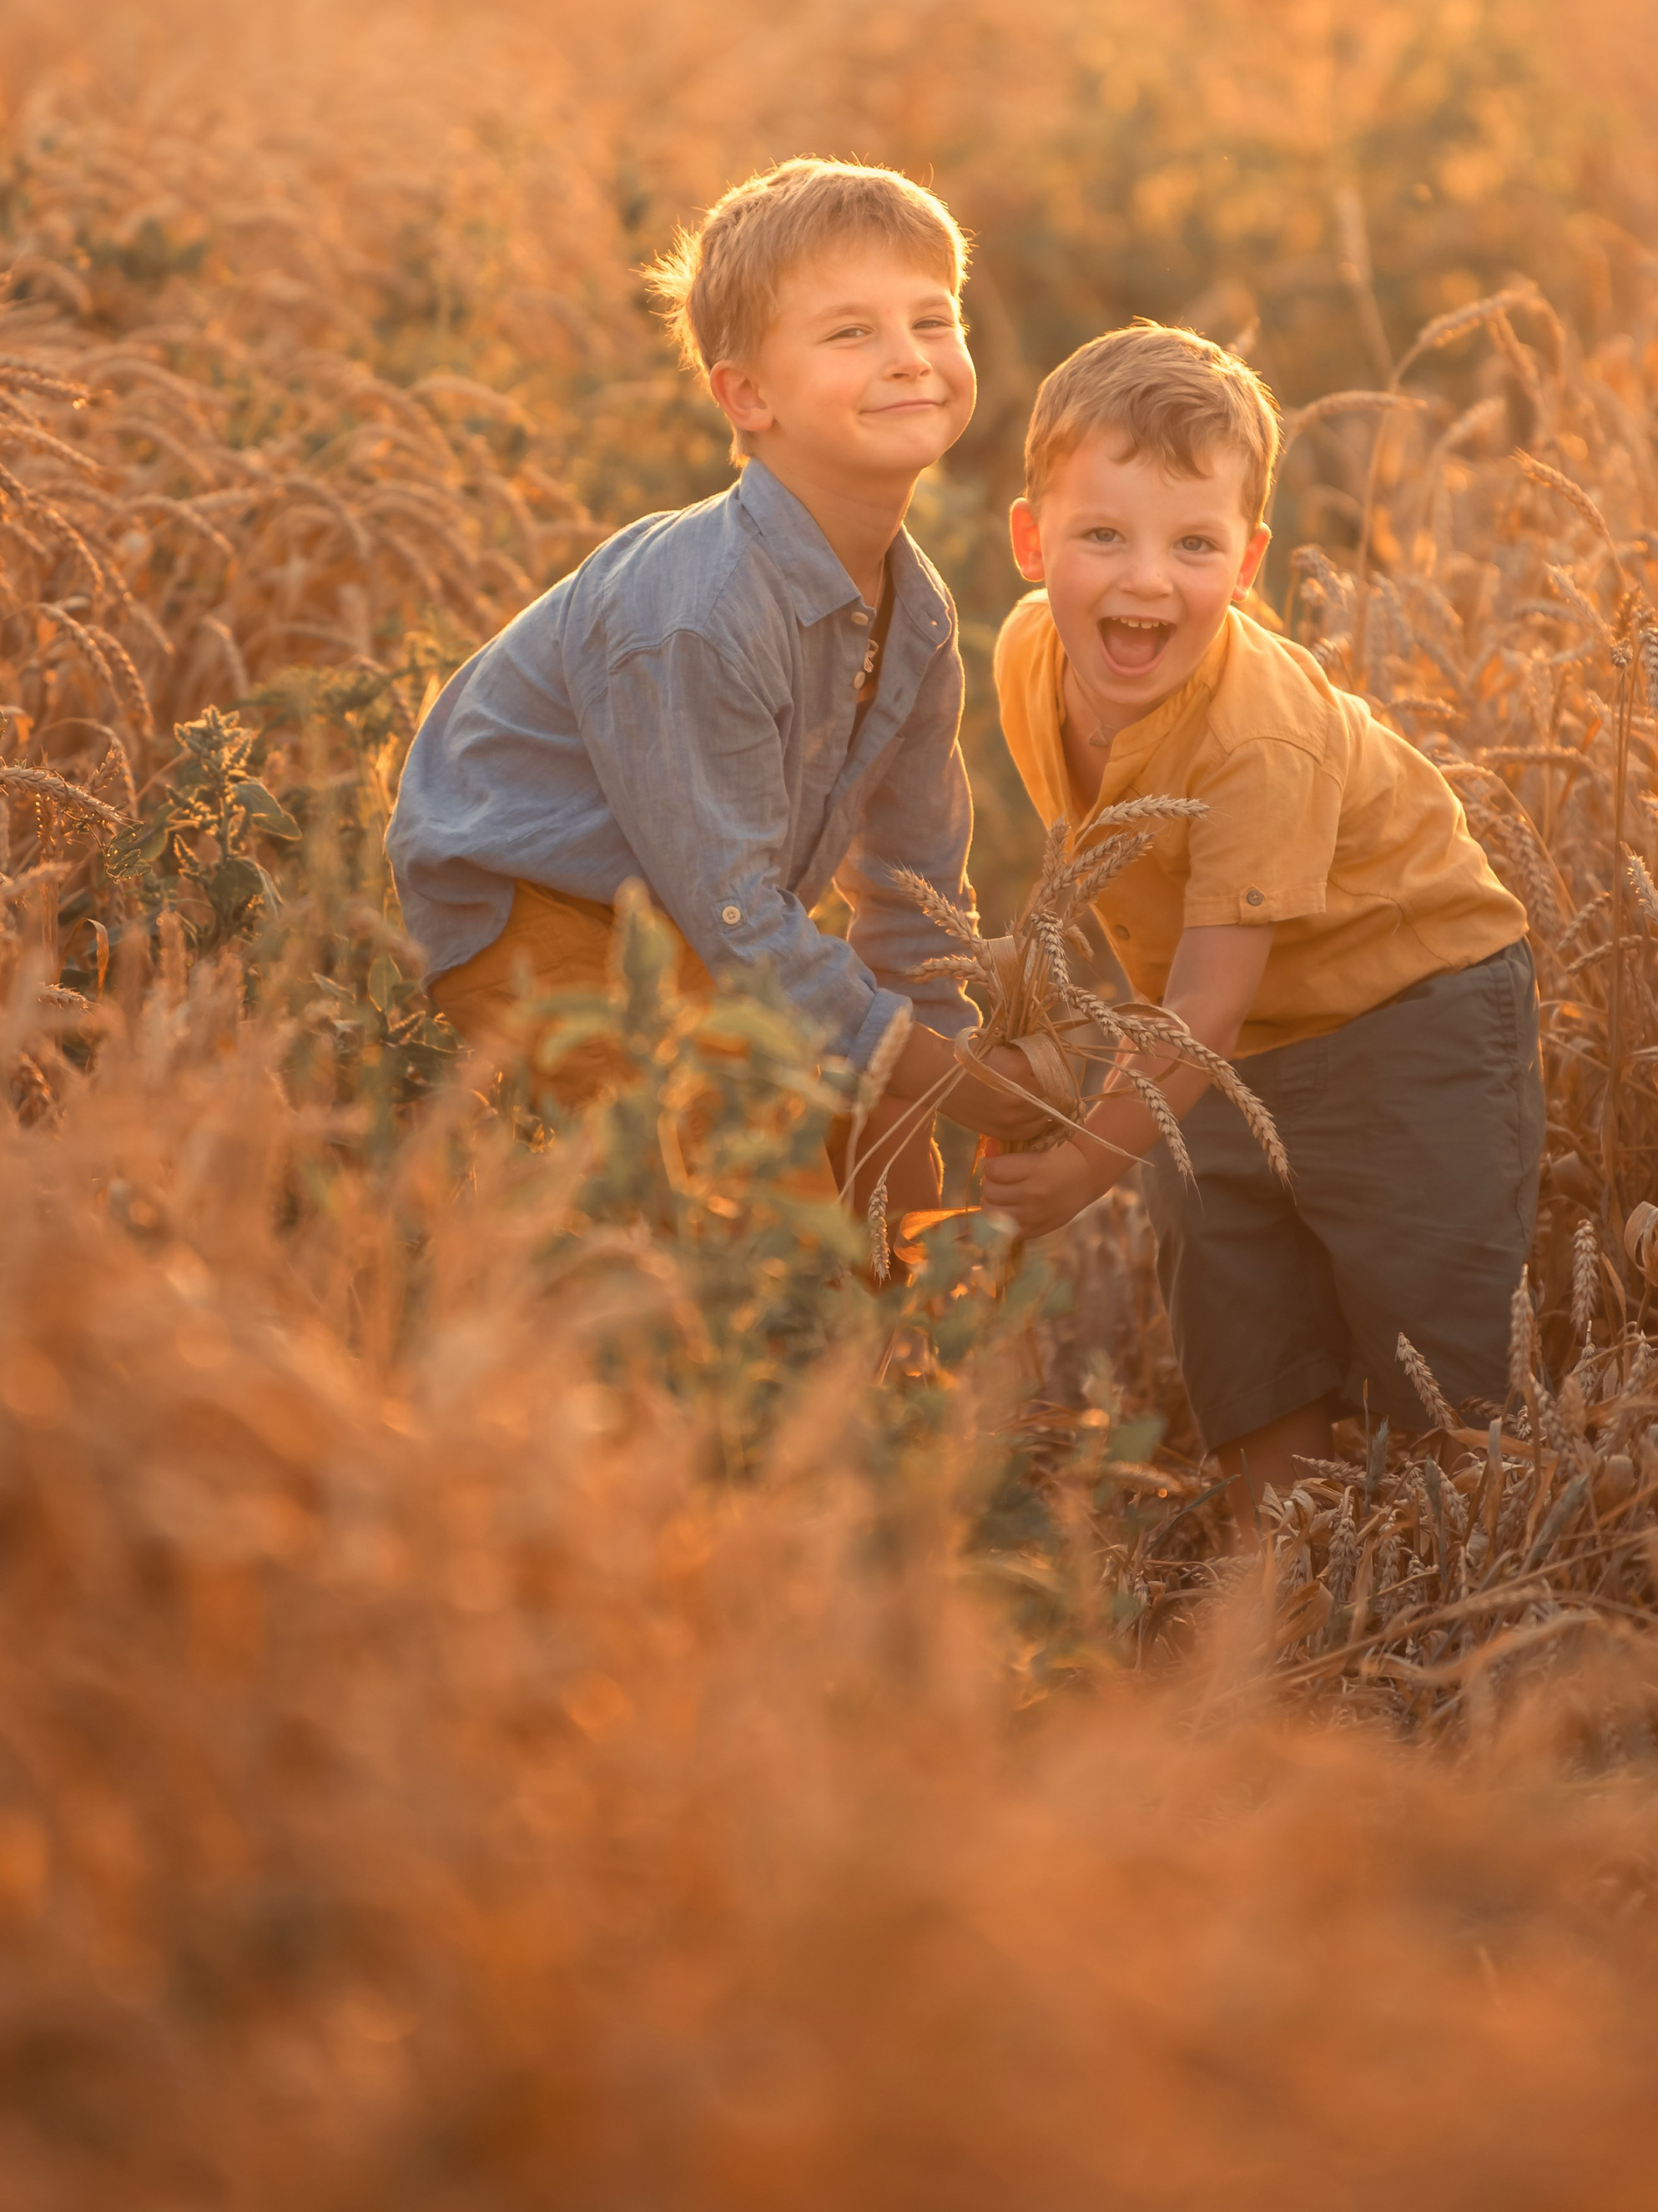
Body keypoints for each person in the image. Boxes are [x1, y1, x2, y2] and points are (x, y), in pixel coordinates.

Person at [386, 156, 1046, 1212]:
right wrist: (951, 1084)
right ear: (746, 395)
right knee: (755, 1177)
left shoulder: (915, 618)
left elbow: (915, 890)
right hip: (535, 917)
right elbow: (739, 916)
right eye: (849, 332)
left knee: (875, 1178)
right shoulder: (701, 614)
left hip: (691, 924)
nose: (908, 359)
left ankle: (879, 1352)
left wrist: (920, 1098)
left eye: (932, 320)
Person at [981, 322, 1543, 1523]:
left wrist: (1084, 1163)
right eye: (1101, 535)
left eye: (1194, 544)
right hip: (1218, 1045)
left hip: (1408, 1017)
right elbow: (1095, 871)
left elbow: (1205, 1004)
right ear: (1032, 542)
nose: (1145, 580)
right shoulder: (1027, 656)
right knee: (1238, 1313)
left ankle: (1466, 1595)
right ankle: (1275, 1601)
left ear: (1250, 565)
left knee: (1434, 1346)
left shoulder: (1257, 738)